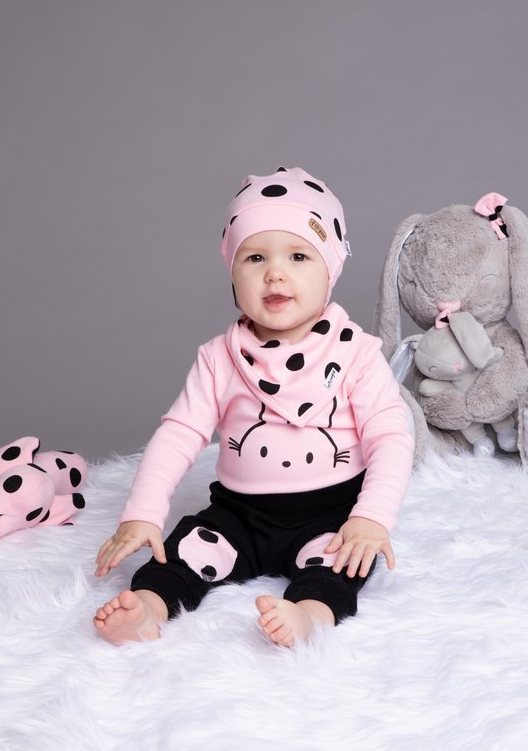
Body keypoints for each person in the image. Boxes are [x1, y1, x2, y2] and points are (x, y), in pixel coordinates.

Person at [93, 166, 414, 647]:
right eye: (255, 256)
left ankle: (307, 616)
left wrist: (370, 518)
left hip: (330, 513)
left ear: (330, 269)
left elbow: (390, 437)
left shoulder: (356, 353)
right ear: (232, 271)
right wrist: (141, 514)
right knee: (182, 553)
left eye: (299, 256)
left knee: (339, 565)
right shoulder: (219, 357)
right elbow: (179, 434)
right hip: (239, 513)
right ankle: (148, 610)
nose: (275, 273)